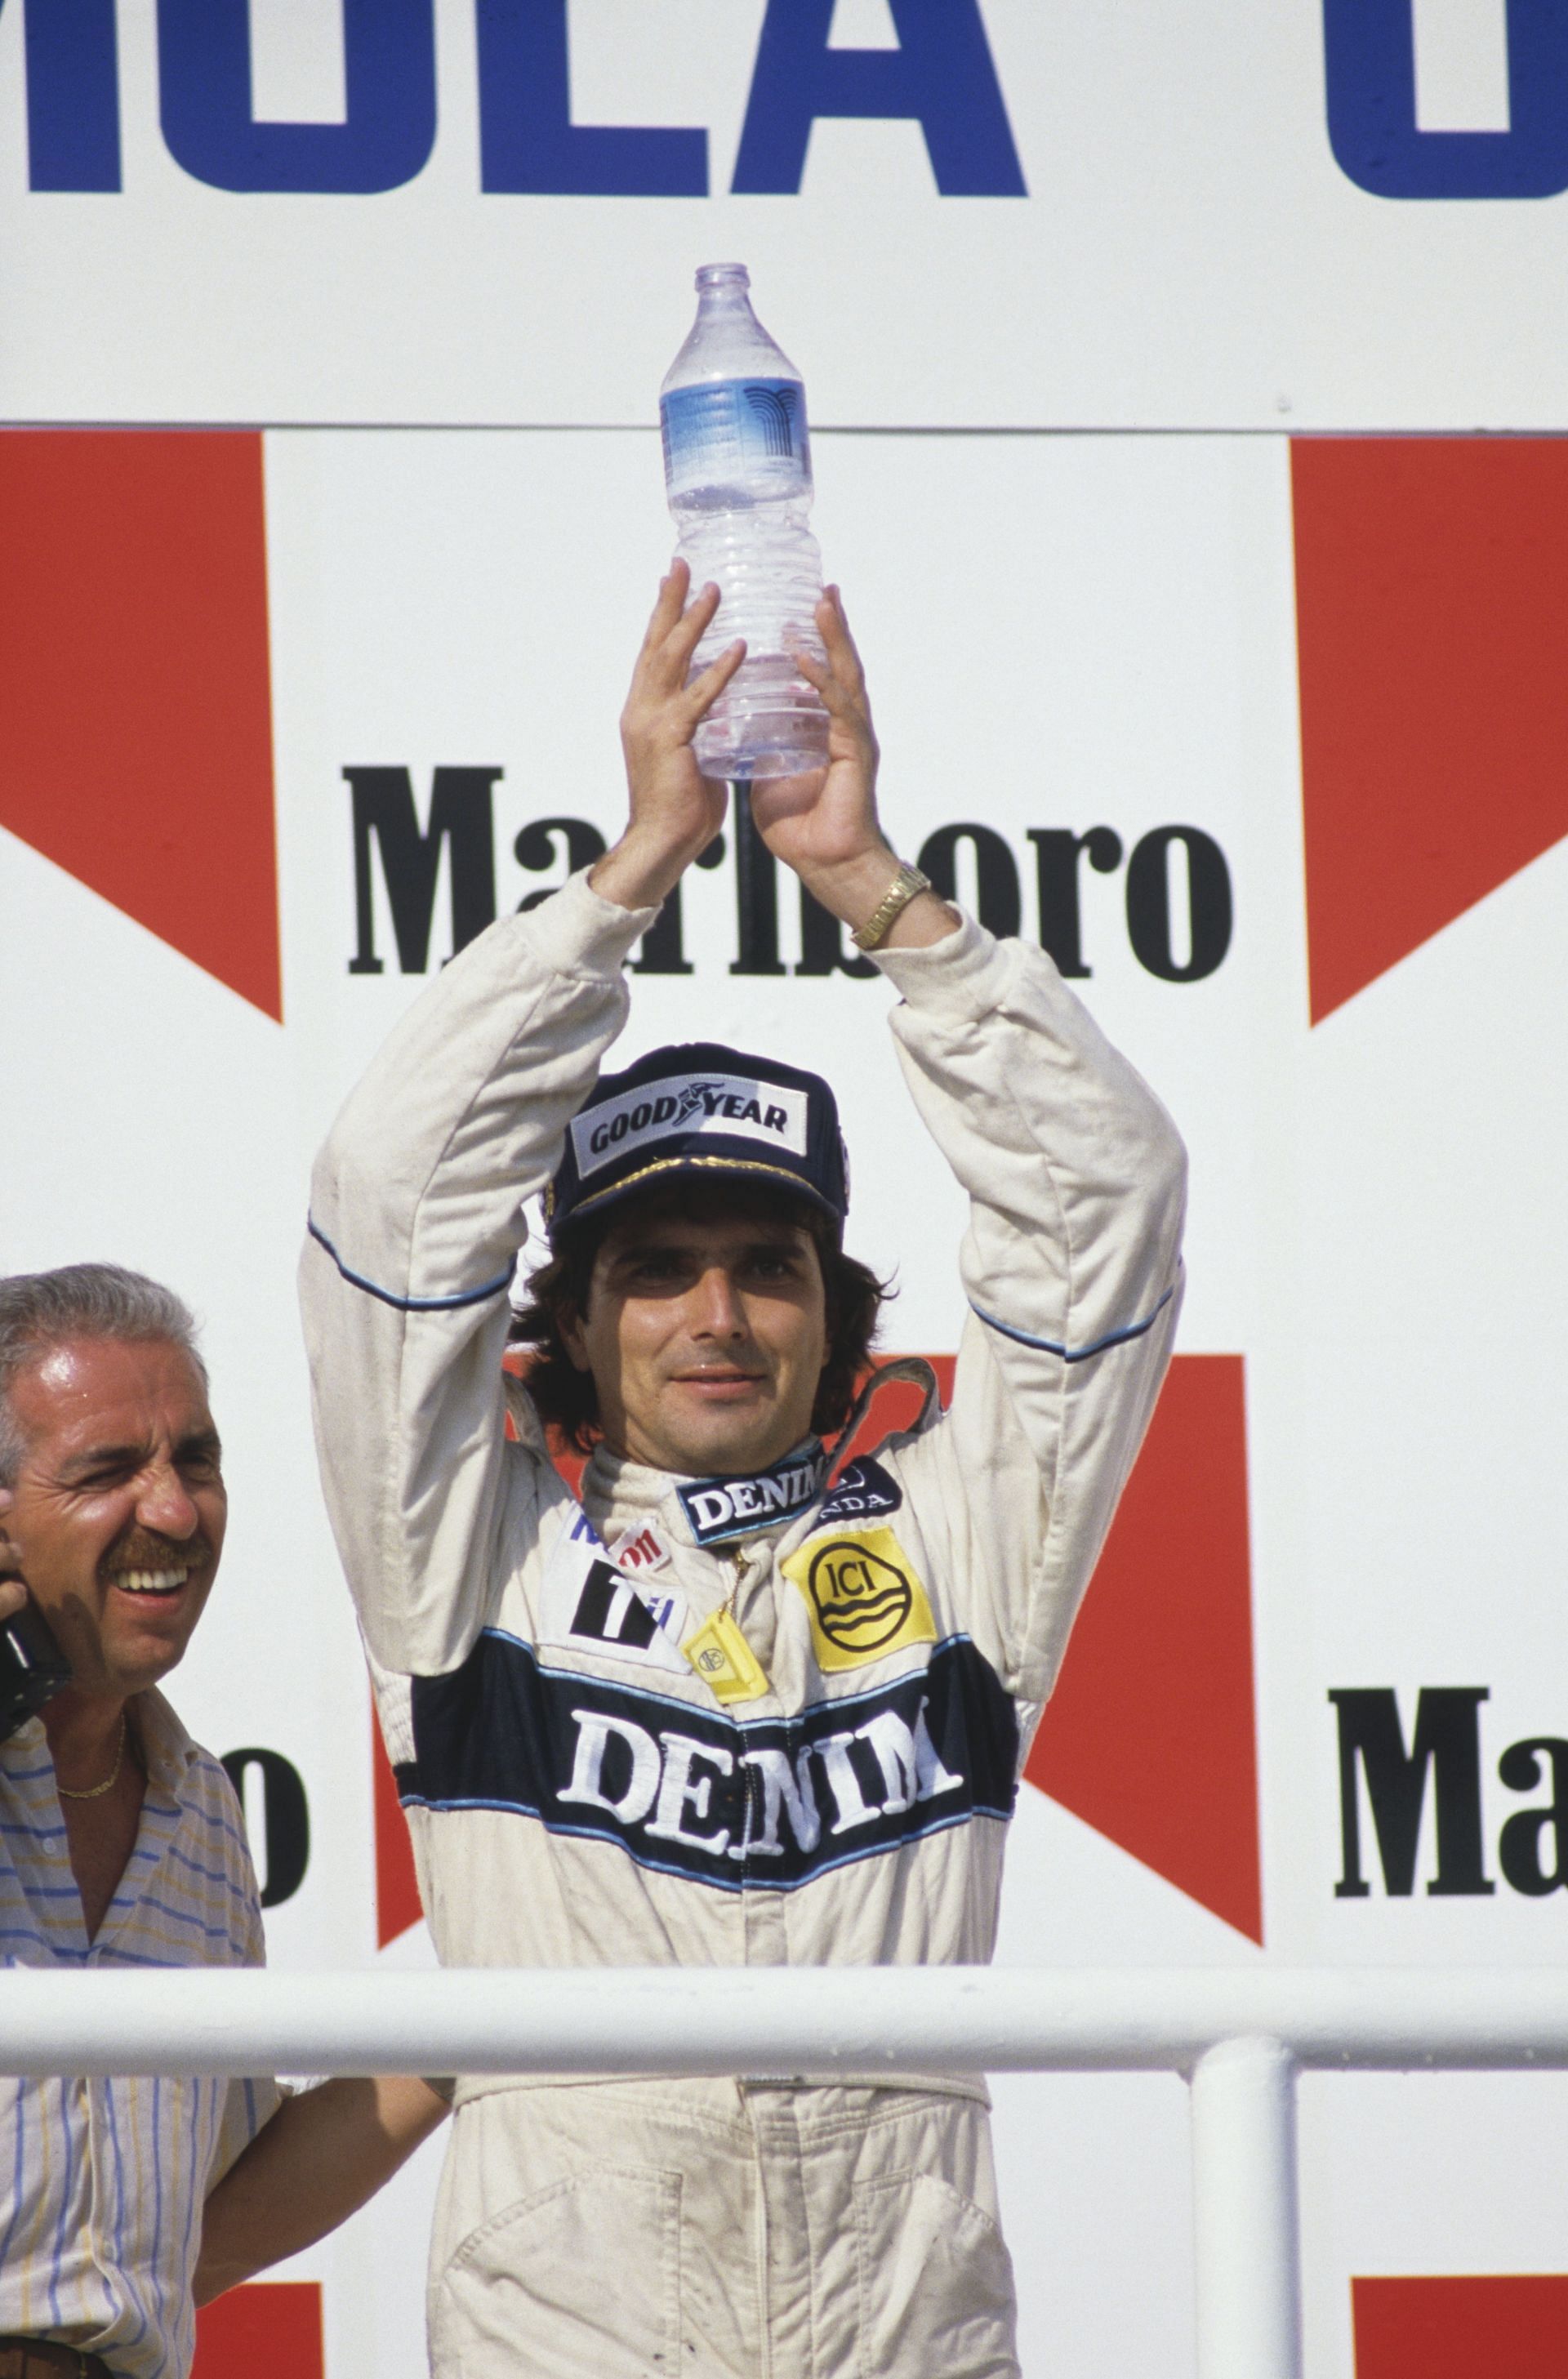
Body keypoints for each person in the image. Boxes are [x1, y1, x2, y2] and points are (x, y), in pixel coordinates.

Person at [300, 565, 1187, 2377]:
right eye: (658, 1268)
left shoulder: (962, 1542)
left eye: (767, 1264)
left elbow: (1109, 1211)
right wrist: (634, 867)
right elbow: (392, 1208)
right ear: (577, 1311)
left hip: (905, 2342)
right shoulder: (471, 1552)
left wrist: (871, 887)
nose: (718, 1313)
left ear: (835, 1308)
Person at [0, 1263, 448, 2379]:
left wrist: (491, 1995)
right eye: (108, 1471)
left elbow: (203, 2228)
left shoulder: (198, 1809)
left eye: (196, 1458)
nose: (175, 1508)